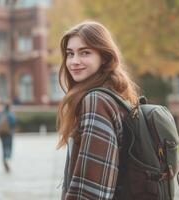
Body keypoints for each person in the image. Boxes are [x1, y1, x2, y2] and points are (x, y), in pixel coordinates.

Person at [57, 21, 139, 199]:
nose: (74, 61)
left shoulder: (97, 101)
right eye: (70, 54)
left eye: (85, 53)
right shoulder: (113, 95)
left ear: (104, 57)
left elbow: (92, 188)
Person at [0, 104, 16, 172]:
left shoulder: (1, 114)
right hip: (8, 134)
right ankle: (7, 159)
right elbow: (13, 122)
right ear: (9, 108)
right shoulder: (10, 114)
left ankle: (4, 159)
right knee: (8, 147)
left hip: (1, 134)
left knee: (3, 147)